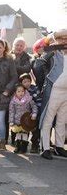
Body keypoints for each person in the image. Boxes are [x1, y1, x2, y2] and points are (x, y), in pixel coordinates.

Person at [39, 30, 67, 160]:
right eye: (61, 39)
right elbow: (39, 64)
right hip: (54, 90)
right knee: (48, 119)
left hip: (66, 92)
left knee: (62, 120)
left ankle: (59, 146)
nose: (64, 41)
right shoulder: (53, 52)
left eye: (66, 39)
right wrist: (46, 79)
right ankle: (45, 147)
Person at [8, 83, 38, 153]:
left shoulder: (29, 99)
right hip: (17, 121)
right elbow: (11, 112)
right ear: (15, 92)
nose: (21, 93)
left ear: (25, 91)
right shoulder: (13, 101)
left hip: (26, 120)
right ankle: (18, 146)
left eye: (22, 91)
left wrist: (34, 114)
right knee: (18, 133)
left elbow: (34, 107)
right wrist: (11, 121)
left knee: (24, 134)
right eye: (18, 91)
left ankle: (24, 147)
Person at [18, 72, 42, 153]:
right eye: (24, 82)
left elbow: (39, 101)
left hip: (34, 113)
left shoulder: (35, 89)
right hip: (24, 115)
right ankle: (23, 145)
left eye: (28, 81)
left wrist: (35, 112)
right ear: (21, 83)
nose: (27, 83)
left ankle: (35, 145)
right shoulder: (20, 90)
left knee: (35, 130)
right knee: (23, 130)